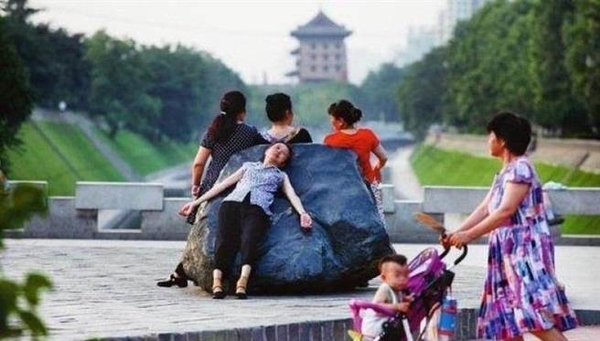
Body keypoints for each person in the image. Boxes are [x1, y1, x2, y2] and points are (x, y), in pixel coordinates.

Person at [441, 112, 578, 341]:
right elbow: (485, 209)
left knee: (531, 315)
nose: (488, 141)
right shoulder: (504, 173)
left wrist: (468, 236)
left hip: (524, 252)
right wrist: (456, 233)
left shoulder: (521, 168)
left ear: (502, 140)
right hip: (505, 253)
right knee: (505, 320)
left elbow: (505, 211)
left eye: (490, 136)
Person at [157, 90, 266, 288]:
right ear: (243, 111)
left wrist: (196, 185)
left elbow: (198, 163)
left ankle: (182, 272)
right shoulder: (249, 133)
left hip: (212, 184)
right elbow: (267, 149)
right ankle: (183, 271)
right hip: (237, 185)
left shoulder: (214, 129)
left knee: (201, 230)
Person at [178, 142, 313, 299]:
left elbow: (292, 195)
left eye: (283, 153)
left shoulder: (281, 176)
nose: (278, 152)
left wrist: (303, 213)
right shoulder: (248, 166)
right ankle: (217, 283)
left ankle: (242, 283)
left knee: (249, 241)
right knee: (223, 241)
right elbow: (221, 186)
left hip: (257, 209)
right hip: (231, 204)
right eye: (276, 147)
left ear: (284, 162)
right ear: (267, 150)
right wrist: (195, 203)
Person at [323, 99, 388, 224]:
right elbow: (383, 157)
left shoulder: (331, 140)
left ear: (341, 121)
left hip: (343, 189)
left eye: (333, 120)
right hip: (368, 185)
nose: (332, 124)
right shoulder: (367, 135)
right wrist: (377, 168)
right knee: (377, 219)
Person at [361, 254, 412, 339]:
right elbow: (377, 306)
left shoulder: (398, 288)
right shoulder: (385, 289)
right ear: (384, 278)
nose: (403, 279)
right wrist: (397, 306)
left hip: (385, 326)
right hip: (373, 329)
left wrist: (405, 299)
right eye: (397, 276)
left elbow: (396, 299)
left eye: (406, 275)